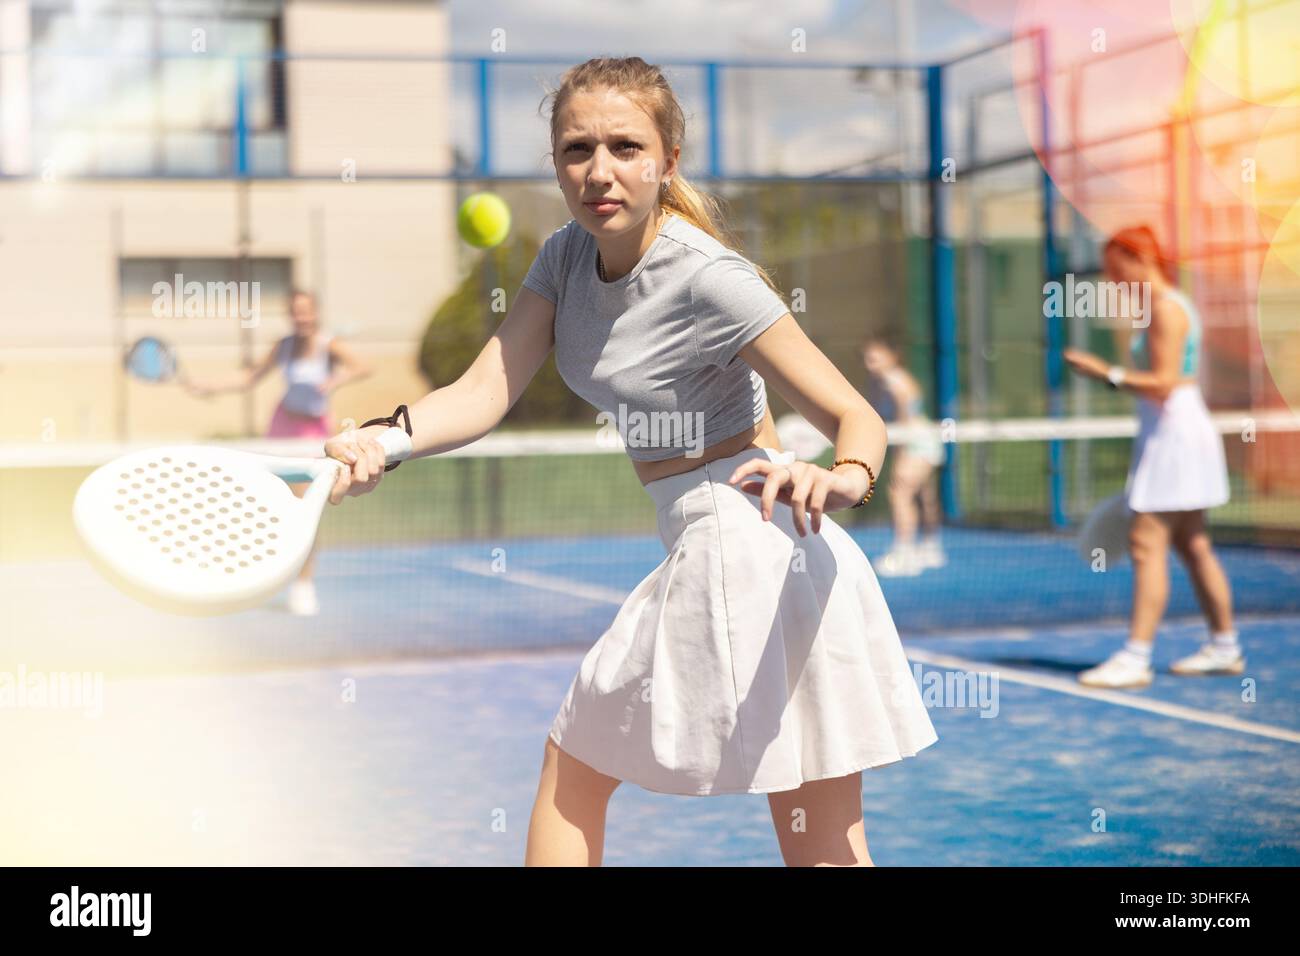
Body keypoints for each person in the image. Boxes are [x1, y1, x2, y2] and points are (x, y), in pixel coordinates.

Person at [321, 56, 937, 866]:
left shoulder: (711, 278)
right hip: (750, 548)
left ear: (666, 162)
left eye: (624, 147)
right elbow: (483, 389)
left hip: (746, 540)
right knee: (819, 838)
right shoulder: (563, 258)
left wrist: (846, 477)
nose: (599, 171)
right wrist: (385, 439)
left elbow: (853, 414)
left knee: (574, 771)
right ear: (555, 163)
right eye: (578, 150)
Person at [1063, 225, 1240, 689]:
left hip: (1175, 434)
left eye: (1115, 268)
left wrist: (1107, 372)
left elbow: (1164, 382)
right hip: (1169, 430)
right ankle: (1225, 647)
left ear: (1137, 259)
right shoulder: (1164, 306)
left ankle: (1135, 657)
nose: (1111, 279)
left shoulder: (1165, 309)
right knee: (1192, 544)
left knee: (1146, 543)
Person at [185, 288, 373, 615]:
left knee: (304, 507)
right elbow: (249, 377)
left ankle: (303, 585)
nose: (302, 317)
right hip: (281, 428)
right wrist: (208, 386)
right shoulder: (283, 346)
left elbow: (365, 367)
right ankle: (255, 577)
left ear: (315, 313)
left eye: (307, 311)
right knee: (267, 500)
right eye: (296, 311)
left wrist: (335, 381)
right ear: (291, 315)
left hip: (312, 433)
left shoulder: (329, 345)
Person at [861, 337, 946, 576]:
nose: (869, 364)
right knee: (925, 495)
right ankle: (931, 547)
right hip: (922, 439)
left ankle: (904, 553)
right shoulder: (880, 382)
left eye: (874, 359)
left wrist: (900, 453)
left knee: (900, 492)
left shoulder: (895, 384)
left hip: (916, 442)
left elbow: (904, 423)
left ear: (891, 357)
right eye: (867, 359)